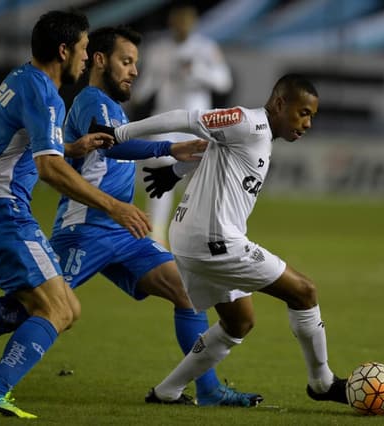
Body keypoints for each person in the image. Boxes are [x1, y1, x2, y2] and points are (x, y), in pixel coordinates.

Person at [0, 24, 261, 409]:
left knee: (187, 293)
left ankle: (206, 389)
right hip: (84, 230)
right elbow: (113, 145)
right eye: (126, 62)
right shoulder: (92, 100)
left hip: (123, 234)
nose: (134, 71)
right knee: (32, 309)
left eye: (136, 63)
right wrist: (169, 148)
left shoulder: (105, 105)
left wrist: (168, 157)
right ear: (99, 60)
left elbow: (92, 146)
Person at [0, 10, 152, 419]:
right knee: (60, 310)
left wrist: (72, 148)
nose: (87, 57)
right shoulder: (44, 92)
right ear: (63, 50)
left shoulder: (19, 79)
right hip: (0, 216)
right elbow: (48, 169)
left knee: (50, 307)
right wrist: (114, 206)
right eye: (85, 49)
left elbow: (24, 146)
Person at [93, 74, 350, 406]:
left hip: (194, 239)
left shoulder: (257, 136)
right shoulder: (247, 122)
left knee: (238, 322)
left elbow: (215, 149)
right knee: (304, 292)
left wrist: (174, 172)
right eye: (303, 113)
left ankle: (166, 392)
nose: (308, 123)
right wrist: (120, 133)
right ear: (279, 104)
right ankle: (322, 383)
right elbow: (186, 119)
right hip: (213, 241)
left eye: (312, 116)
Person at [131, 3, 232, 246]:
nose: (182, 25)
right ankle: (155, 234)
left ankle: (199, 235)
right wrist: (133, 97)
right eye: (178, 20)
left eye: (186, 20)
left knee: (199, 181)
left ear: (194, 22)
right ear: (171, 22)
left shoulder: (206, 48)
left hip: (198, 123)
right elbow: (150, 81)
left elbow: (223, 82)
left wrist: (197, 72)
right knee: (160, 173)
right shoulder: (159, 49)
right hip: (166, 121)